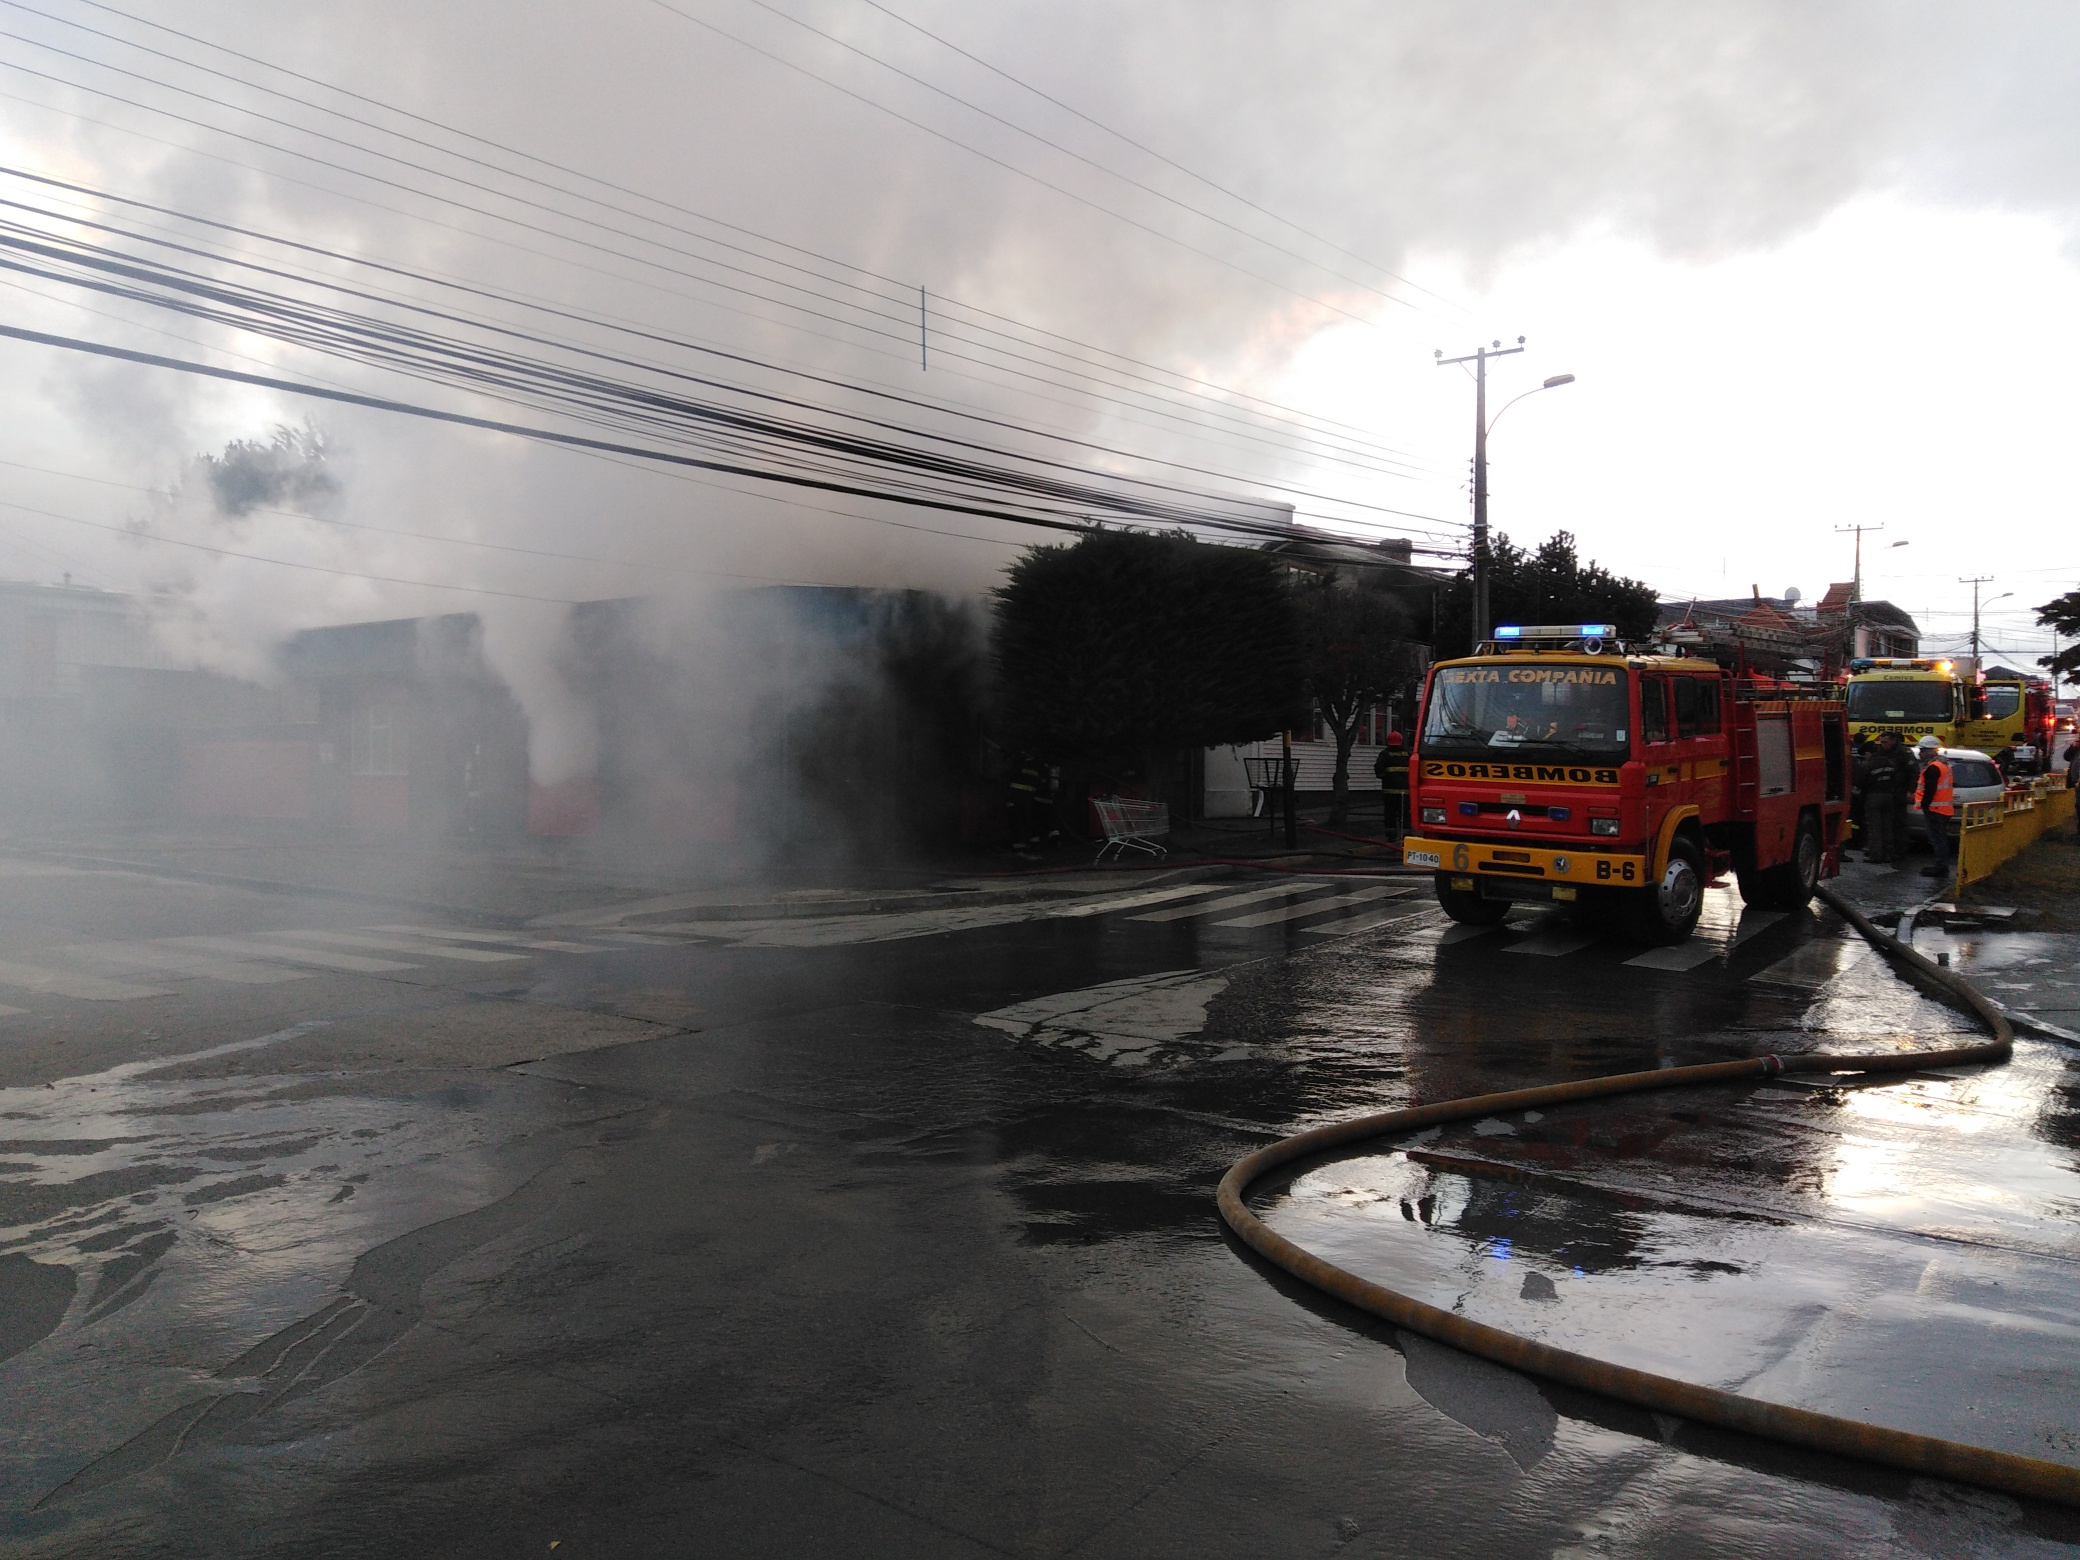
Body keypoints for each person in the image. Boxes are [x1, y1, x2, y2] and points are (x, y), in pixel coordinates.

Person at [1862, 730, 1909, 865]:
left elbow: (1862, 780)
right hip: (1889, 796)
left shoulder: (1869, 764)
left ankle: (1876, 855)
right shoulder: (1891, 763)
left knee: (1874, 828)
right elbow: (1896, 778)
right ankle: (1888, 853)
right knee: (1888, 827)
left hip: (1874, 796)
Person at [1915, 734, 1955, 881]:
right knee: (1940, 838)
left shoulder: (1933, 768)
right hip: (1943, 809)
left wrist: (1924, 805)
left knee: (1938, 839)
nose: (1920, 753)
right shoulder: (1944, 765)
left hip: (1935, 810)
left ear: (1931, 750)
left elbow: (1930, 790)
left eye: (1923, 750)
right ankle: (1941, 865)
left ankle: (1941, 866)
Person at [1374, 731, 1410, 841]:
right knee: (1404, 814)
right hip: (1405, 791)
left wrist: (1384, 776)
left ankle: (1391, 836)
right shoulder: (1407, 754)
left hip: (1389, 791)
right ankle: (1406, 836)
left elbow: (1378, 769)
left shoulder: (1385, 754)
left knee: (1390, 814)